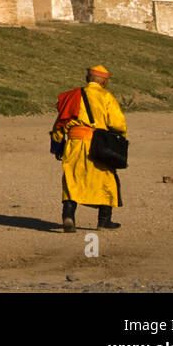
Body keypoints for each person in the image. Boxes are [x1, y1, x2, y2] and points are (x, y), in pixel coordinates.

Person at [51, 64, 127, 232]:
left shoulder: (72, 96)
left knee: (72, 180)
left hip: (74, 144)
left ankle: (68, 216)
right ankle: (104, 221)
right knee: (106, 180)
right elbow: (118, 124)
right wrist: (121, 138)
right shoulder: (106, 96)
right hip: (98, 145)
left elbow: (60, 124)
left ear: (88, 79)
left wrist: (57, 143)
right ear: (104, 82)